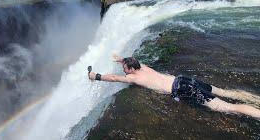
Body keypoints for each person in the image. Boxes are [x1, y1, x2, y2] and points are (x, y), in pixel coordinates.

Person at [88, 54, 260, 119]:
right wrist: (120, 59)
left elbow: (113, 78)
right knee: (225, 92)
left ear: (131, 69)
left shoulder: (133, 78)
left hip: (182, 89)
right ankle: (255, 99)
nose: (123, 70)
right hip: (183, 79)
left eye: (124, 68)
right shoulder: (143, 66)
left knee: (228, 108)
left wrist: (95, 76)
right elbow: (131, 59)